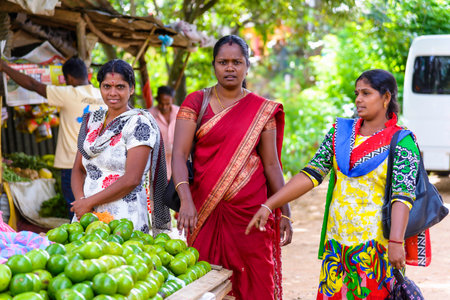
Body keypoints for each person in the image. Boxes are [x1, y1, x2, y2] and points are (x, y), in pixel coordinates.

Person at [247, 69, 421, 299]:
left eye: (366, 93)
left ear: (386, 97)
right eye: (357, 93)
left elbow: (403, 196)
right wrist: (270, 204)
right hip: (337, 246)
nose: (358, 99)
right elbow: (311, 173)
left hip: (376, 248)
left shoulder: (402, 142)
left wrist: (397, 241)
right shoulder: (340, 134)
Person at [172, 35, 293, 300]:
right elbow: (179, 155)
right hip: (204, 211)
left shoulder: (262, 109)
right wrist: (186, 201)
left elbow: (272, 165)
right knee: (206, 286)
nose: (230, 68)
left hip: (251, 216)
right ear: (213, 65)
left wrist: (285, 211)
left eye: (237, 62)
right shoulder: (196, 103)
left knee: (257, 282)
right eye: (223, 62)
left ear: (247, 66)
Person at [70, 59, 170, 233]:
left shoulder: (139, 124)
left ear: (131, 89)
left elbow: (132, 179)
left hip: (123, 217)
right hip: (87, 215)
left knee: (119, 259)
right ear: (99, 87)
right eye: (107, 86)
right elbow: (78, 169)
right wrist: (82, 203)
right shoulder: (92, 120)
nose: (112, 93)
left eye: (120, 87)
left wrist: (89, 202)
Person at [0, 57, 105, 219]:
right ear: (88, 74)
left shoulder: (69, 94)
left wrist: (5, 68)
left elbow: (33, 85)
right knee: (98, 210)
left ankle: (82, 240)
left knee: (77, 212)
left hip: (73, 166)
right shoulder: (102, 96)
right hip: (98, 164)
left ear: (68, 78)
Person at [149, 86, 179, 180]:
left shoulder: (181, 113)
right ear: (157, 99)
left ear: (173, 100)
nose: (164, 107)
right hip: (158, 165)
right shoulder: (149, 115)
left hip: (177, 164)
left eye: (167, 104)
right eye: (161, 103)